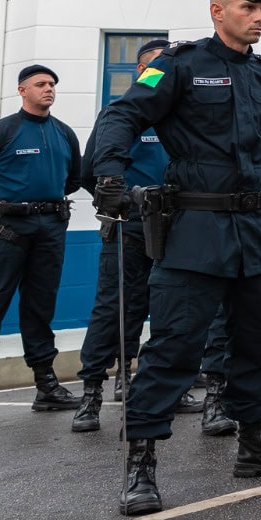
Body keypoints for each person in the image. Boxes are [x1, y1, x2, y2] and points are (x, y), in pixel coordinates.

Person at [91, 0, 261, 515]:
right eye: (247, 6)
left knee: (260, 339)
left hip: (257, 229)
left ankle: (255, 444)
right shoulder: (179, 64)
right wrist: (109, 172)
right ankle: (141, 465)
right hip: (194, 225)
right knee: (175, 344)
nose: (257, 15)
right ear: (217, 11)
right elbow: (123, 114)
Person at [72, 41, 200, 434]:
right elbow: (88, 173)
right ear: (142, 71)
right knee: (115, 309)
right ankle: (93, 391)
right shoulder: (120, 115)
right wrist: (124, 199)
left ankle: (163, 387)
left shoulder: (182, 117)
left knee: (171, 311)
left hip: (178, 227)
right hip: (130, 226)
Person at [0, 65, 83, 428]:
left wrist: (41, 203)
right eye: (41, 84)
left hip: (50, 230)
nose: (49, 89)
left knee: (40, 309)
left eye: (53, 84)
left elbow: (74, 179)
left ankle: (47, 387)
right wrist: (1, 200)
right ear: (22, 90)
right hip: (6, 231)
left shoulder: (64, 133)